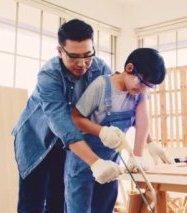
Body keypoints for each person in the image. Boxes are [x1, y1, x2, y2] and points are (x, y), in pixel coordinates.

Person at [12, 19, 114, 213]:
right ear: (60, 51)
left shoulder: (101, 70)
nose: (82, 63)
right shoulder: (48, 75)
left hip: (70, 146)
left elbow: (111, 106)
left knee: (58, 200)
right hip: (36, 140)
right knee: (31, 202)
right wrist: (95, 162)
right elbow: (61, 121)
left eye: (87, 55)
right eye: (74, 57)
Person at [66, 48, 170, 212]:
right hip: (83, 163)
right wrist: (101, 131)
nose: (143, 89)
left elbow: (142, 119)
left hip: (111, 164)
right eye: (142, 83)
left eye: (148, 87)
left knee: (105, 209)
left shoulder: (138, 91)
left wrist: (140, 153)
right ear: (129, 68)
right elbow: (75, 118)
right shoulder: (102, 85)